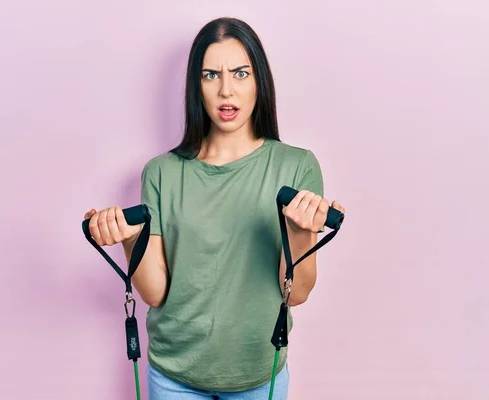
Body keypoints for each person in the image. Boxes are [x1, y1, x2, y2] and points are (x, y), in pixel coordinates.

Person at [84, 17, 346, 400]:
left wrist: (301, 229)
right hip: (173, 376)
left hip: (257, 374)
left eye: (240, 73)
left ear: (259, 80)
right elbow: (156, 294)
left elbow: (297, 293)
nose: (227, 90)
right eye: (211, 75)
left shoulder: (296, 166)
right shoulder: (161, 172)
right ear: (197, 85)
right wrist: (129, 239)